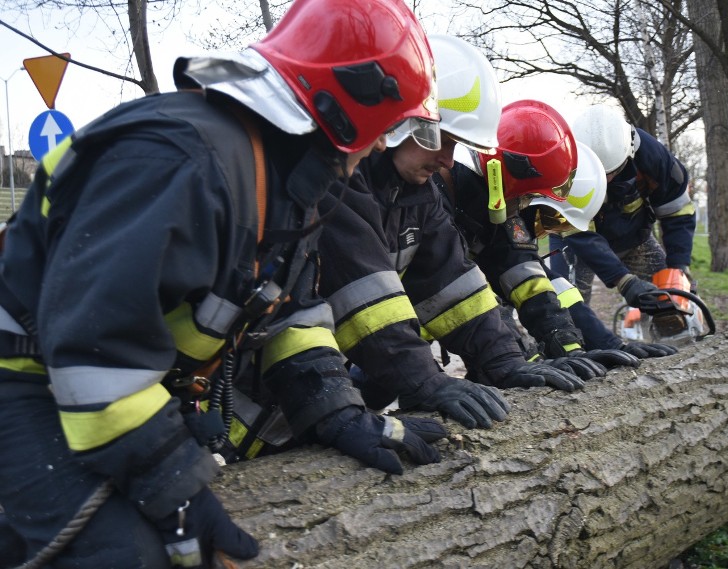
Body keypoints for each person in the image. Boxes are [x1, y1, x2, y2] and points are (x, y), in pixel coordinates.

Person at [0, 1, 446, 567]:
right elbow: (98, 344)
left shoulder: (285, 181)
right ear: (350, 107)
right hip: (29, 377)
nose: (383, 145)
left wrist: (334, 410)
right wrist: (173, 487)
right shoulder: (183, 162)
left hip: (95, 383)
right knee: (122, 554)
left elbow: (291, 310)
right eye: (389, 127)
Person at [316, 35, 601, 417]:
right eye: (442, 140)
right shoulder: (344, 180)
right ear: (401, 122)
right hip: (276, 375)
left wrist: (506, 362)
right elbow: (367, 304)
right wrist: (426, 381)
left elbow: (451, 286)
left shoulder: (417, 190)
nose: (449, 161)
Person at [438, 99, 676, 361]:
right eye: (552, 220)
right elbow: (472, 295)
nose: (549, 232)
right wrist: (515, 357)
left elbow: (545, 289)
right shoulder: (464, 199)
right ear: (540, 197)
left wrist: (603, 345)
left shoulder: (502, 208)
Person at [548, 104, 695, 313]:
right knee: (569, 307)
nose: (605, 180)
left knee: (670, 299)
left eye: (612, 171)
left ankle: (674, 337)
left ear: (630, 150)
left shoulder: (654, 159)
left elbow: (678, 211)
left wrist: (679, 265)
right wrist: (623, 280)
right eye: (597, 171)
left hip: (635, 238)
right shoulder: (565, 171)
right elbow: (578, 233)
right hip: (576, 244)